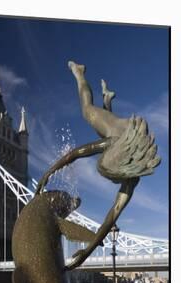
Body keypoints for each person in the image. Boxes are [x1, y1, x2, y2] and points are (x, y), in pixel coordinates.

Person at [36, 61, 160, 270]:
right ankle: (80, 73)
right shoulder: (114, 148)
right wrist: (48, 173)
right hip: (119, 132)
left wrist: (87, 251)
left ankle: (107, 99)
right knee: (86, 110)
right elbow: (75, 154)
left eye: (111, 177)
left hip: (123, 133)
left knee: (101, 126)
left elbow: (110, 218)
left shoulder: (131, 177)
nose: (112, 181)